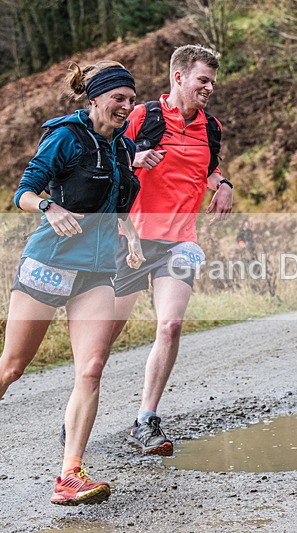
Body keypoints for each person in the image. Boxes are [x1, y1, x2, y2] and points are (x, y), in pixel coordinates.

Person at [0, 61, 144, 505]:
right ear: (96, 98)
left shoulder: (123, 147)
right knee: (12, 367)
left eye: (131, 99)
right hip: (51, 261)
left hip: (97, 270)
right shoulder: (66, 136)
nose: (126, 105)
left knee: (92, 366)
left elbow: (117, 206)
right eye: (119, 98)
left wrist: (132, 235)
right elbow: (23, 191)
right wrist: (50, 208)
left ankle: (69, 474)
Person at [110, 45, 233, 456]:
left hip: (180, 241)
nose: (210, 87)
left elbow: (208, 167)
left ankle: (146, 420)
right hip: (130, 238)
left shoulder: (211, 128)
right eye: (203, 80)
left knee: (171, 325)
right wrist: (135, 157)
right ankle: (80, 405)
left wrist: (223, 184)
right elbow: (105, 160)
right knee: (103, 340)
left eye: (213, 81)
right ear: (178, 77)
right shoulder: (142, 117)